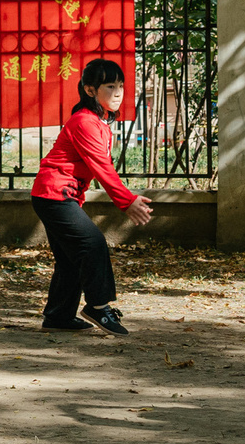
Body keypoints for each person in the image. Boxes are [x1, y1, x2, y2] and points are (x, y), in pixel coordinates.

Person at [30, 58, 155, 334]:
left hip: (56, 196)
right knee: (92, 244)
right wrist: (126, 201)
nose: (118, 92)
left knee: (70, 258)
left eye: (121, 85)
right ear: (90, 90)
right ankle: (98, 306)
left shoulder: (97, 122)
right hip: (53, 195)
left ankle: (58, 317)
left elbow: (98, 166)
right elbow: (101, 166)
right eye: (110, 86)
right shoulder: (84, 122)